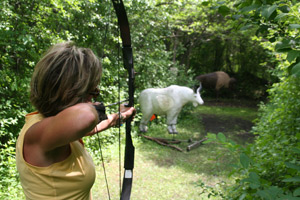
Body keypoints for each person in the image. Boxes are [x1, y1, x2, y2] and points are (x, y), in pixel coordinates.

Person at [15, 42, 136, 200]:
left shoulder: (54, 126)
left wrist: (119, 116)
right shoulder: (38, 134)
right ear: (70, 91)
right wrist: (96, 109)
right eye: (92, 90)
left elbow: (91, 128)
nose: (95, 95)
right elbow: (86, 117)